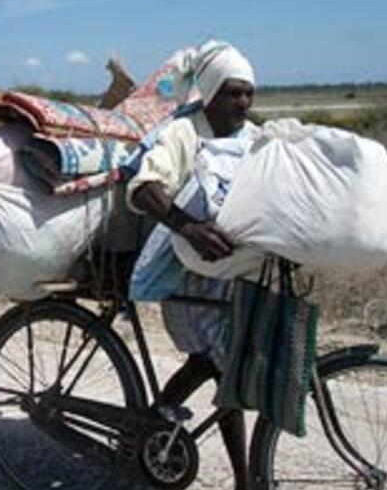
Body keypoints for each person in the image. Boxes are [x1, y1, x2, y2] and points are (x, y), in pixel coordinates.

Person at [125, 40, 257, 490]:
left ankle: (149, 426)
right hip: (185, 276)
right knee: (224, 367)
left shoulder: (252, 137)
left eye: (248, 93)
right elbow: (145, 187)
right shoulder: (183, 132)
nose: (243, 102)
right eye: (233, 93)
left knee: (214, 361)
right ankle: (244, 480)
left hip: (229, 275)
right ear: (212, 93)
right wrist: (189, 228)